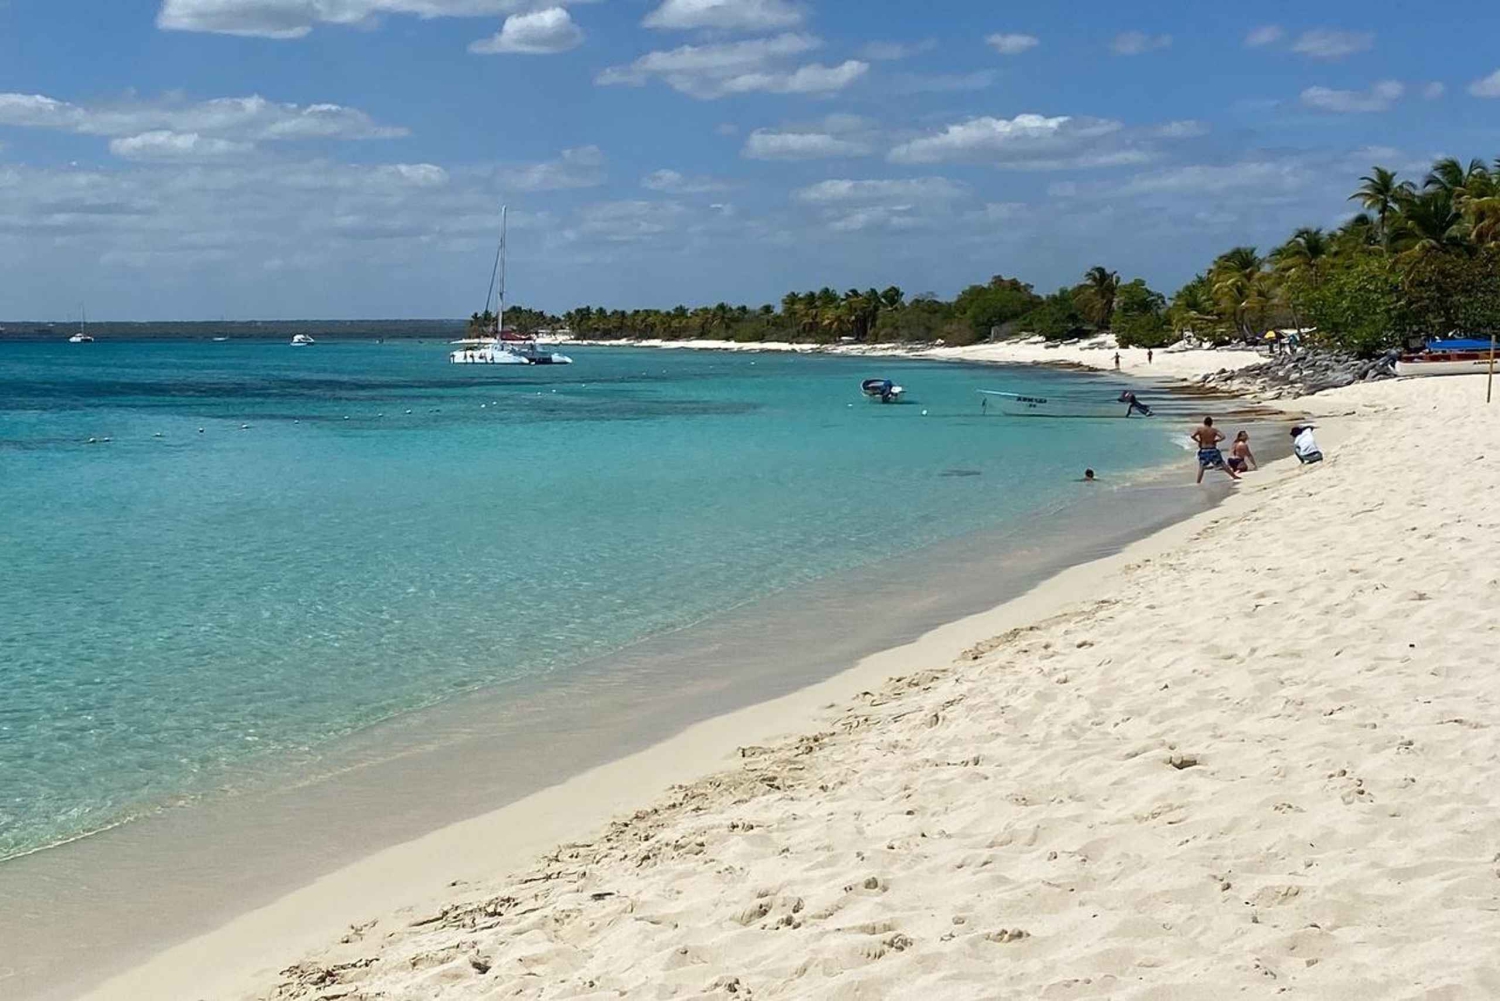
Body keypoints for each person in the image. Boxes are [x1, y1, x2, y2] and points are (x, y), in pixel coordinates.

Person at [1191, 416, 1240, 483]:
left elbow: (1192, 436)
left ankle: (1198, 481)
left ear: (1204, 422)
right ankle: (1234, 476)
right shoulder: (1214, 430)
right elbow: (1223, 437)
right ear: (1211, 423)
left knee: (1202, 466)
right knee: (1222, 464)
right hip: (1212, 449)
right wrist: (1216, 440)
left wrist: (1198, 441)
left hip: (1204, 449)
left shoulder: (1200, 429)